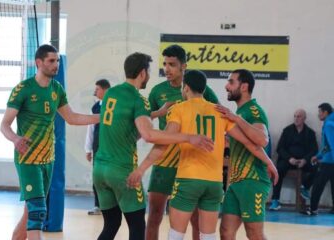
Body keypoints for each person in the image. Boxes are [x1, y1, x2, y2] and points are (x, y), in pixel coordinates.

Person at [127, 70, 277, 240]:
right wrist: (269, 162)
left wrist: (141, 169)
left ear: (186, 88)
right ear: (204, 90)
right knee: (209, 235)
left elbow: (164, 144)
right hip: (214, 183)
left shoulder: (179, 109)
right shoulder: (221, 112)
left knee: (176, 233)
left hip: (188, 179)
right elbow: (249, 143)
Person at [92, 52, 213, 240]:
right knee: (138, 226)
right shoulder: (140, 99)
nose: (163, 69)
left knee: (111, 224)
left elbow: (129, 126)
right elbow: (148, 134)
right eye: (149, 70)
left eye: (171, 64)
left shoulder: (111, 93)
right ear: (142, 73)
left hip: (100, 169)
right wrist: (188, 137)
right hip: (122, 170)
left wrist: (157, 113)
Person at [0, 44, 100, 240]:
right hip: (27, 159)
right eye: (51, 61)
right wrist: (15, 139)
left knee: (31, 211)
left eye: (58, 61)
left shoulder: (57, 89)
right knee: (38, 211)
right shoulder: (24, 89)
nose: (56, 65)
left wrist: (101, 117)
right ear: (39, 63)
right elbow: (4, 125)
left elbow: (71, 118)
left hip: (48, 159)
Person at [147, 44, 219, 240]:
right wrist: (159, 112)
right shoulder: (157, 91)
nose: (167, 69)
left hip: (191, 163)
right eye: (165, 64)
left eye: (172, 64)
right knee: (154, 215)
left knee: (196, 219)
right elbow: (145, 119)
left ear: (184, 66)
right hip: (164, 162)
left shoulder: (204, 91)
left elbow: (217, 116)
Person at [217, 69, 278, 240]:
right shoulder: (240, 112)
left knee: (254, 233)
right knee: (226, 232)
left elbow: (262, 139)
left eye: (231, 82)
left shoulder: (254, 111)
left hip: (253, 181)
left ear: (244, 87)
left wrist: (236, 119)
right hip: (235, 183)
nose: (226, 86)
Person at [269, 109, 318, 211]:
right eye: (295, 116)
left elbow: (314, 150)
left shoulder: (310, 133)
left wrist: (305, 160)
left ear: (304, 118)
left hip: (303, 161)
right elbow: (280, 148)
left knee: (317, 168)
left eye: (299, 116)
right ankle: (275, 200)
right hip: (289, 160)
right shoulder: (287, 130)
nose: (296, 118)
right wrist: (290, 158)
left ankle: (305, 188)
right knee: (278, 170)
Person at [84, 79, 111, 215]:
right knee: (98, 176)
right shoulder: (95, 108)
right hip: (97, 147)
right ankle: (98, 205)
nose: (95, 92)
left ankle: (113, 205)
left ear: (105, 90)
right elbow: (90, 129)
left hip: (112, 148)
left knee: (111, 176)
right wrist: (88, 149)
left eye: (97, 89)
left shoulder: (115, 106)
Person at [303, 103, 334, 216]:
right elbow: (328, 145)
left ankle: (313, 209)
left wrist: (320, 157)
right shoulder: (331, 122)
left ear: (325, 112)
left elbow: (331, 145)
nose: (318, 115)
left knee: (317, 185)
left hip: (329, 161)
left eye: (320, 112)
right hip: (329, 159)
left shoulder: (329, 124)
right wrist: (318, 156)